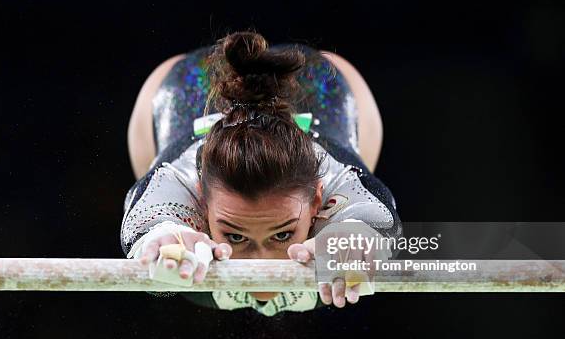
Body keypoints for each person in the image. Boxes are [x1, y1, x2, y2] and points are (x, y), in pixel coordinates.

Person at [121, 31, 402, 316]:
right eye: (235, 236)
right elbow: (146, 217)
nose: (261, 263)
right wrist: (164, 232)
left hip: (327, 91)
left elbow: (377, 215)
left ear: (319, 199)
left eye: (282, 235)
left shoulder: (333, 175)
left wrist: (355, 234)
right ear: (200, 199)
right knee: (151, 178)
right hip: (183, 91)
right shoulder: (181, 180)